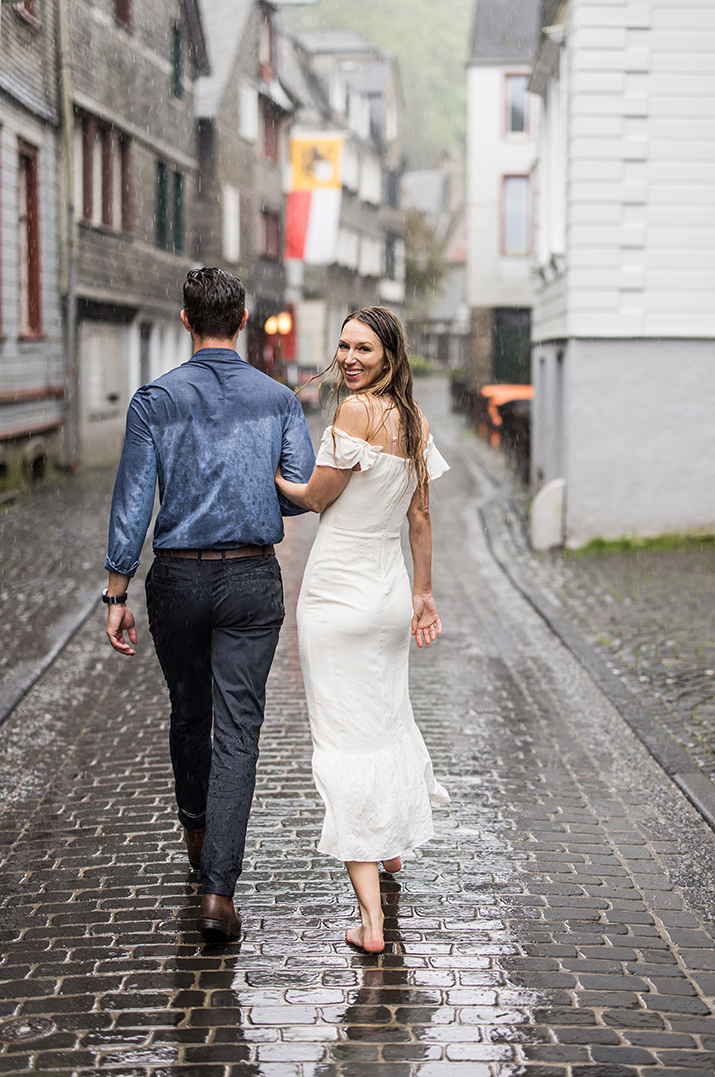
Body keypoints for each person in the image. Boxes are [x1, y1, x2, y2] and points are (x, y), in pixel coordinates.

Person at [104, 267, 315, 944]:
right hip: (252, 579)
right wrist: (252, 478)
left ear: (186, 321)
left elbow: (135, 501)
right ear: (245, 320)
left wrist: (116, 589)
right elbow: (298, 490)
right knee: (240, 728)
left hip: (180, 580)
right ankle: (219, 890)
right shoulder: (279, 399)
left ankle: (196, 831)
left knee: (190, 711)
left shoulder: (154, 400)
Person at [273, 305, 450, 954]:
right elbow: (421, 518)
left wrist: (276, 475)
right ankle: (394, 849)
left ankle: (371, 922)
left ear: (390, 356)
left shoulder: (354, 413)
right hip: (388, 593)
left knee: (344, 741)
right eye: (344, 346)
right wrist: (424, 593)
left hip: (339, 596)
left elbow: (317, 497)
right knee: (388, 719)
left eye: (364, 349)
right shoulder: (417, 422)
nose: (349, 358)